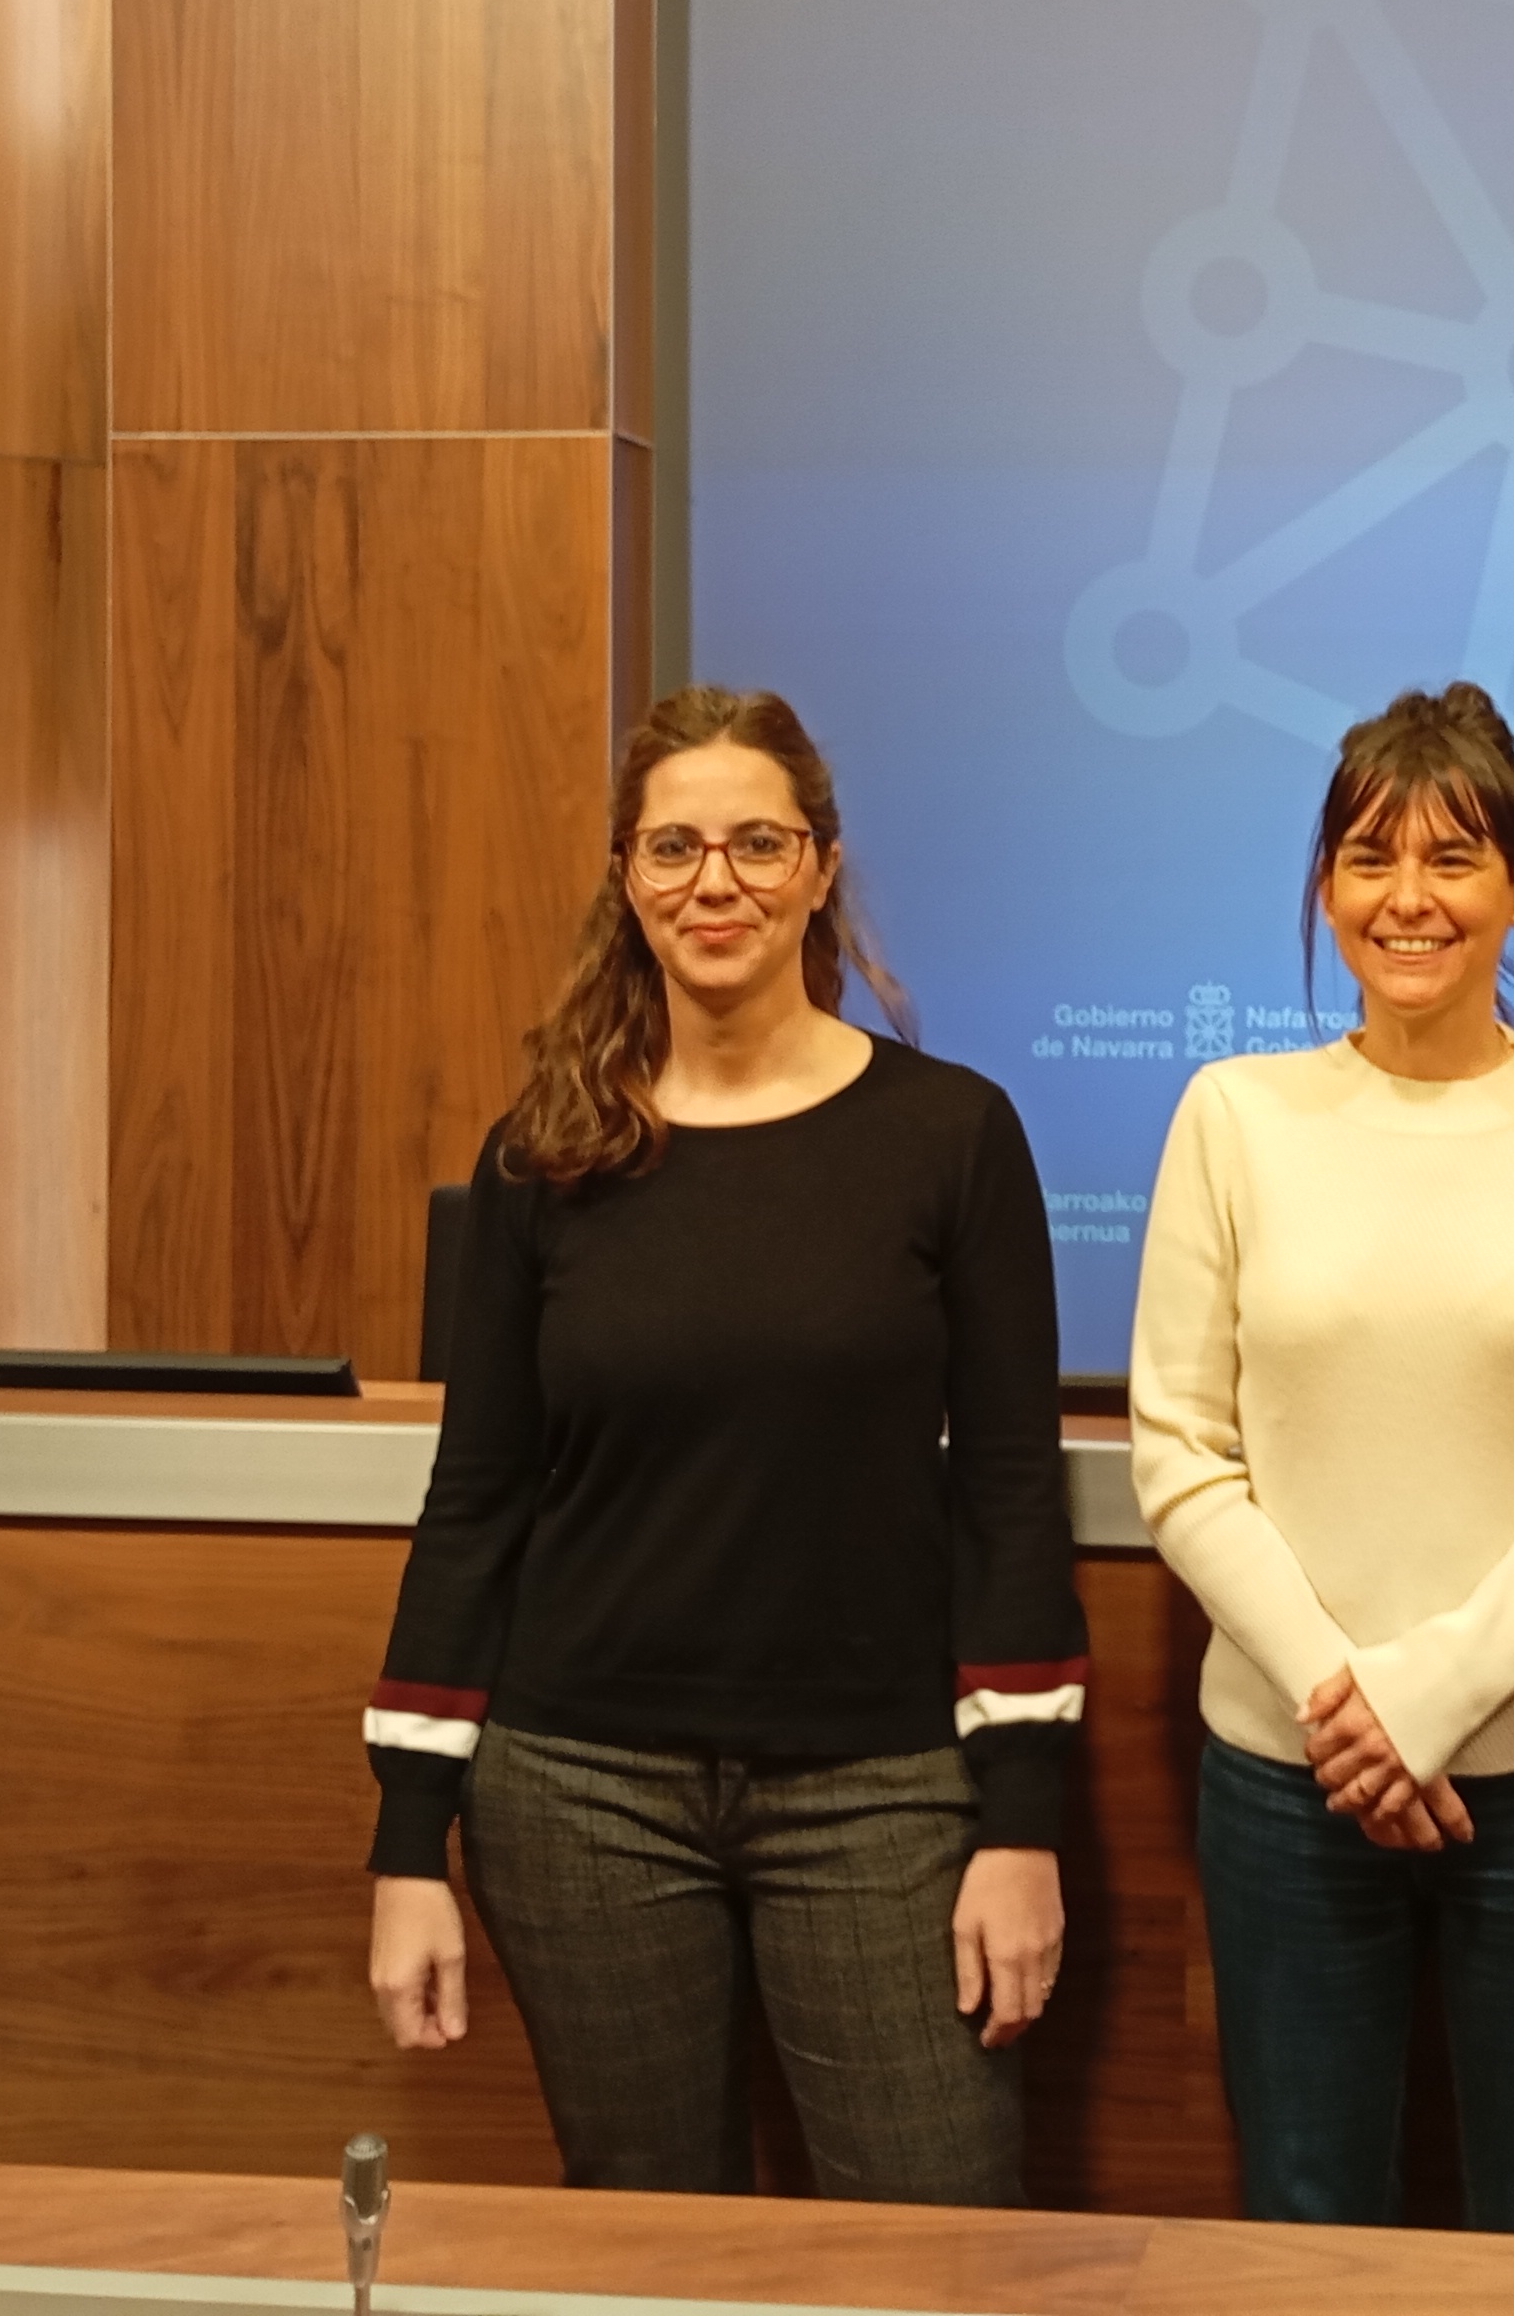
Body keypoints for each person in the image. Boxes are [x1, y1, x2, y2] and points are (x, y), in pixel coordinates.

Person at [360, 685, 1087, 2204]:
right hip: (579, 1796)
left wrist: (1021, 1829)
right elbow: (476, 1501)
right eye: (675, 846)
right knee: (651, 2261)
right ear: (625, 878)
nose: (717, 882)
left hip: (885, 1792)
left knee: (941, 2247)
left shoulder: (951, 1136)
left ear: (821, 868)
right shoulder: (543, 1154)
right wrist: (408, 1846)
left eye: (759, 843)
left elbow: (1011, 1497)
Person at [1129, 683, 1514, 2236]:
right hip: (1288, 1774)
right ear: (1325, 888)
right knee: (1309, 2214)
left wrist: (1436, 1692)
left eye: (1455, 859)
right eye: (1369, 858)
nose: (1409, 900)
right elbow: (1181, 1453)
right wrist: (1350, 1706)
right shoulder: (1234, 1114)